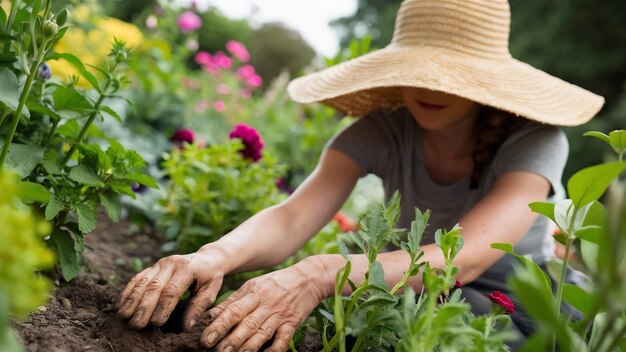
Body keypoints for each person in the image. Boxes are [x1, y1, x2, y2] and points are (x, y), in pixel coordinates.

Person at [116, 0, 604, 351]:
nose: (427, 88)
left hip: (518, 305)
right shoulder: (384, 130)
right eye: (417, 71)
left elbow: (468, 260)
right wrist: (213, 255)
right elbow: (292, 217)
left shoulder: (533, 140)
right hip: (416, 291)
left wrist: (320, 273)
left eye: (449, 76)